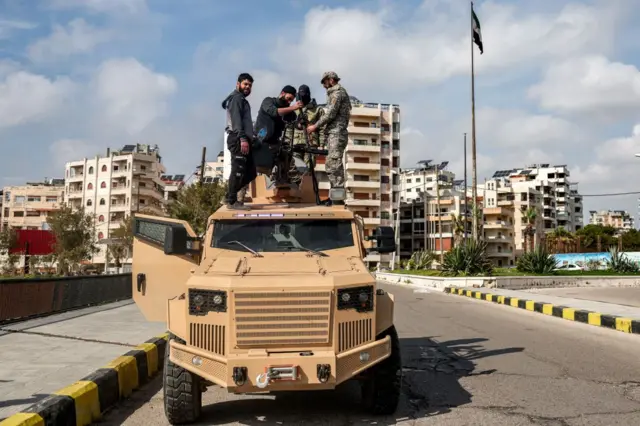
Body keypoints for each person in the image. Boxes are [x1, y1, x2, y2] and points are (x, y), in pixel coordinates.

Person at [307, 71, 351, 205]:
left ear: (331, 80)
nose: (323, 86)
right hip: (334, 133)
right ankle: (335, 196)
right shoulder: (335, 93)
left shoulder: (337, 93)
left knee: (334, 164)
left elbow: (331, 114)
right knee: (331, 164)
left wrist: (315, 126)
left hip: (336, 133)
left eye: (324, 82)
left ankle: (337, 198)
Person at [253, 85, 303, 183]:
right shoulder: (268, 101)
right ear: (283, 93)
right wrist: (293, 107)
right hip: (260, 140)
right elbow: (274, 112)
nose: (289, 102)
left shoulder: (288, 110)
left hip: (274, 143)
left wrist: (303, 123)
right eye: (289, 99)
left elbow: (296, 123)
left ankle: (282, 183)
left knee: (286, 157)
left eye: (291, 100)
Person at [222, 73, 255, 210]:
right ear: (238, 84)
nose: (247, 87)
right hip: (237, 138)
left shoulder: (241, 99)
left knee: (251, 172)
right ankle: (231, 201)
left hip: (244, 138)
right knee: (238, 170)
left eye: (250, 85)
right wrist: (242, 138)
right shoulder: (236, 99)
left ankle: (229, 196)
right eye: (245, 84)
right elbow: (236, 121)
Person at [285, 97, 327, 186]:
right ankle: (296, 188)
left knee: (308, 168)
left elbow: (322, 128)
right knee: (295, 167)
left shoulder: (317, 110)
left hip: (311, 143)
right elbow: (289, 127)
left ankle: (306, 190)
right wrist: (287, 142)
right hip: (296, 143)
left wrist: (322, 144)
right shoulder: (294, 108)